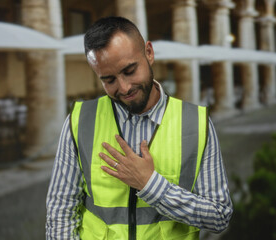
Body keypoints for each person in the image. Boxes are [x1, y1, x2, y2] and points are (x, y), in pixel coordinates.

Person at [46, 16, 232, 240]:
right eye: (109, 80)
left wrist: (151, 185)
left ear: (149, 53)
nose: (124, 88)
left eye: (129, 71)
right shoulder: (80, 121)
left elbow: (219, 216)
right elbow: (60, 212)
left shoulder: (197, 123)